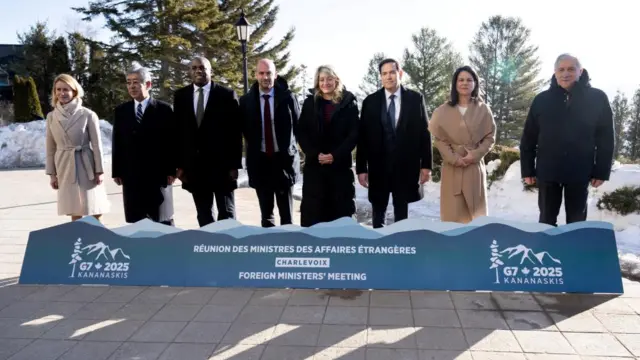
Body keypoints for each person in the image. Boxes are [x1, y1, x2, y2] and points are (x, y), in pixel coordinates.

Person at [520, 53, 615, 226]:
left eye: (571, 69)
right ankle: (546, 250)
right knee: (546, 220)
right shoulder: (541, 100)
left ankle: (575, 252)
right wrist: (527, 169)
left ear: (580, 71)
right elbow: (528, 137)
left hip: (580, 170)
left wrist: (601, 171)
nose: (566, 73)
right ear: (555, 73)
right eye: (561, 69)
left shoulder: (597, 98)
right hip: (548, 170)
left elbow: (606, 138)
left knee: (577, 222)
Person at [355, 58, 433, 228]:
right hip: (378, 167)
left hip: (405, 167)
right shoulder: (370, 102)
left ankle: (401, 246)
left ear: (400, 73)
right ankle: (379, 248)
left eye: (392, 72)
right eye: (384, 73)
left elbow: (424, 134)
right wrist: (361, 168)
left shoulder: (415, 99)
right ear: (380, 77)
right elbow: (363, 138)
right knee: (378, 213)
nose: (388, 77)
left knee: (401, 214)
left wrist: (426, 165)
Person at [173, 56, 243, 227]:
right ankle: (209, 249)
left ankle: (228, 250)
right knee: (204, 216)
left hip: (222, 169)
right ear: (190, 71)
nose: (199, 71)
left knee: (226, 215)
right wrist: (179, 166)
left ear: (211, 71)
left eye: (203, 67)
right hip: (195, 169)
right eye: (195, 68)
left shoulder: (226, 95)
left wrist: (234, 165)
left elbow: (235, 133)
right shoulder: (181, 96)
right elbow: (178, 133)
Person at [428, 66, 496, 223]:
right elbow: (439, 139)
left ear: (475, 84)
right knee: (453, 216)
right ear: (455, 83)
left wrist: (475, 154)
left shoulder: (483, 109)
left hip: (474, 168)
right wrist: (453, 158)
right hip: (452, 169)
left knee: (475, 217)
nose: (465, 83)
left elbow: (490, 137)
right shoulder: (442, 110)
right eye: (461, 80)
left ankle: (475, 246)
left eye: (469, 80)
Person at [112, 63, 176, 226]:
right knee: (137, 220)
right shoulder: (121, 111)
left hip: (158, 173)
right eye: (128, 82)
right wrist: (117, 171)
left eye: (136, 82)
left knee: (162, 218)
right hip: (131, 173)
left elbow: (172, 142)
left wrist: (172, 170)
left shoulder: (164, 109)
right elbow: (117, 141)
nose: (131, 86)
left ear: (148, 84)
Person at [239, 59, 300, 227]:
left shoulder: (288, 97)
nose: (265, 77)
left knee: (287, 217)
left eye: (269, 73)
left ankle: (288, 250)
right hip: (260, 164)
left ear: (275, 75)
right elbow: (241, 132)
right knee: (267, 216)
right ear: (256, 75)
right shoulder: (245, 102)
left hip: (284, 163)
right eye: (261, 73)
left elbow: (300, 127)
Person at [297, 65, 359, 226]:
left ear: (336, 80)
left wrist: (335, 156)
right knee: (314, 220)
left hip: (340, 170)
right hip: (314, 170)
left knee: (340, 220)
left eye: (329, 79)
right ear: (317, 82)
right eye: (322, 79)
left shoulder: (349, 103)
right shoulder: (310, 103)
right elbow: (301, 132)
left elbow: (353, 134)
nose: (326, 83)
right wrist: (314, 154)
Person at [45, 74, 110, 221]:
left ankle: (100, 238)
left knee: (95, 207)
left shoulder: (87, 114)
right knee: (74, 208)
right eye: (58, 90)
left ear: (74, 91)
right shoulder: (51, 117)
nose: (62, 93)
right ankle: (78, 241)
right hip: (64, 165)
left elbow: (97, 145)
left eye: (66, 89)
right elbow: (50, 148)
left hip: (87, 164)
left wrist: (99, 170)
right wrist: (52, 174)